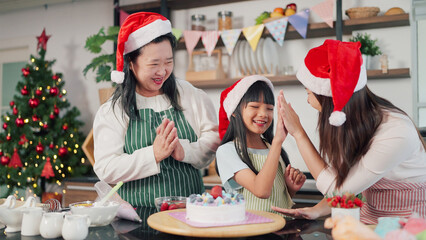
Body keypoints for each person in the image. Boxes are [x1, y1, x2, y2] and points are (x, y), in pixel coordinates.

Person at [273, 39, 426, 224]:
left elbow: (339, 190)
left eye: (308, 92)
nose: (307, 100)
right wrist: (316, 210)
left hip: (411, 225)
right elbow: (348, 184)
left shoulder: (396, 132)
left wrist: (298, 133)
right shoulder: (355, 125)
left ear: (326, 97)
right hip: (370, 221)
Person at [93, 12, 220, 208]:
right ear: (131, 64)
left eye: (168, 62)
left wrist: (184, 151)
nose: (162, 71)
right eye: (154, 64)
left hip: (189, 214)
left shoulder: (190, 95)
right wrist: (153, 154)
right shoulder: (114, 110)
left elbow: (213, 140)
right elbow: (106, 168)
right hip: (137, 217)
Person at [215, 75, 306, 216]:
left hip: (282, 227)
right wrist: (277, 141)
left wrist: (290, 189)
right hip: (250, 231)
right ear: (234, 111)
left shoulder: (272, 148)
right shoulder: (227, 151)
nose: (263, 114)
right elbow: (261, 191)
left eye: (269, 109)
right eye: (254, 106)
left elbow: (277, 201)